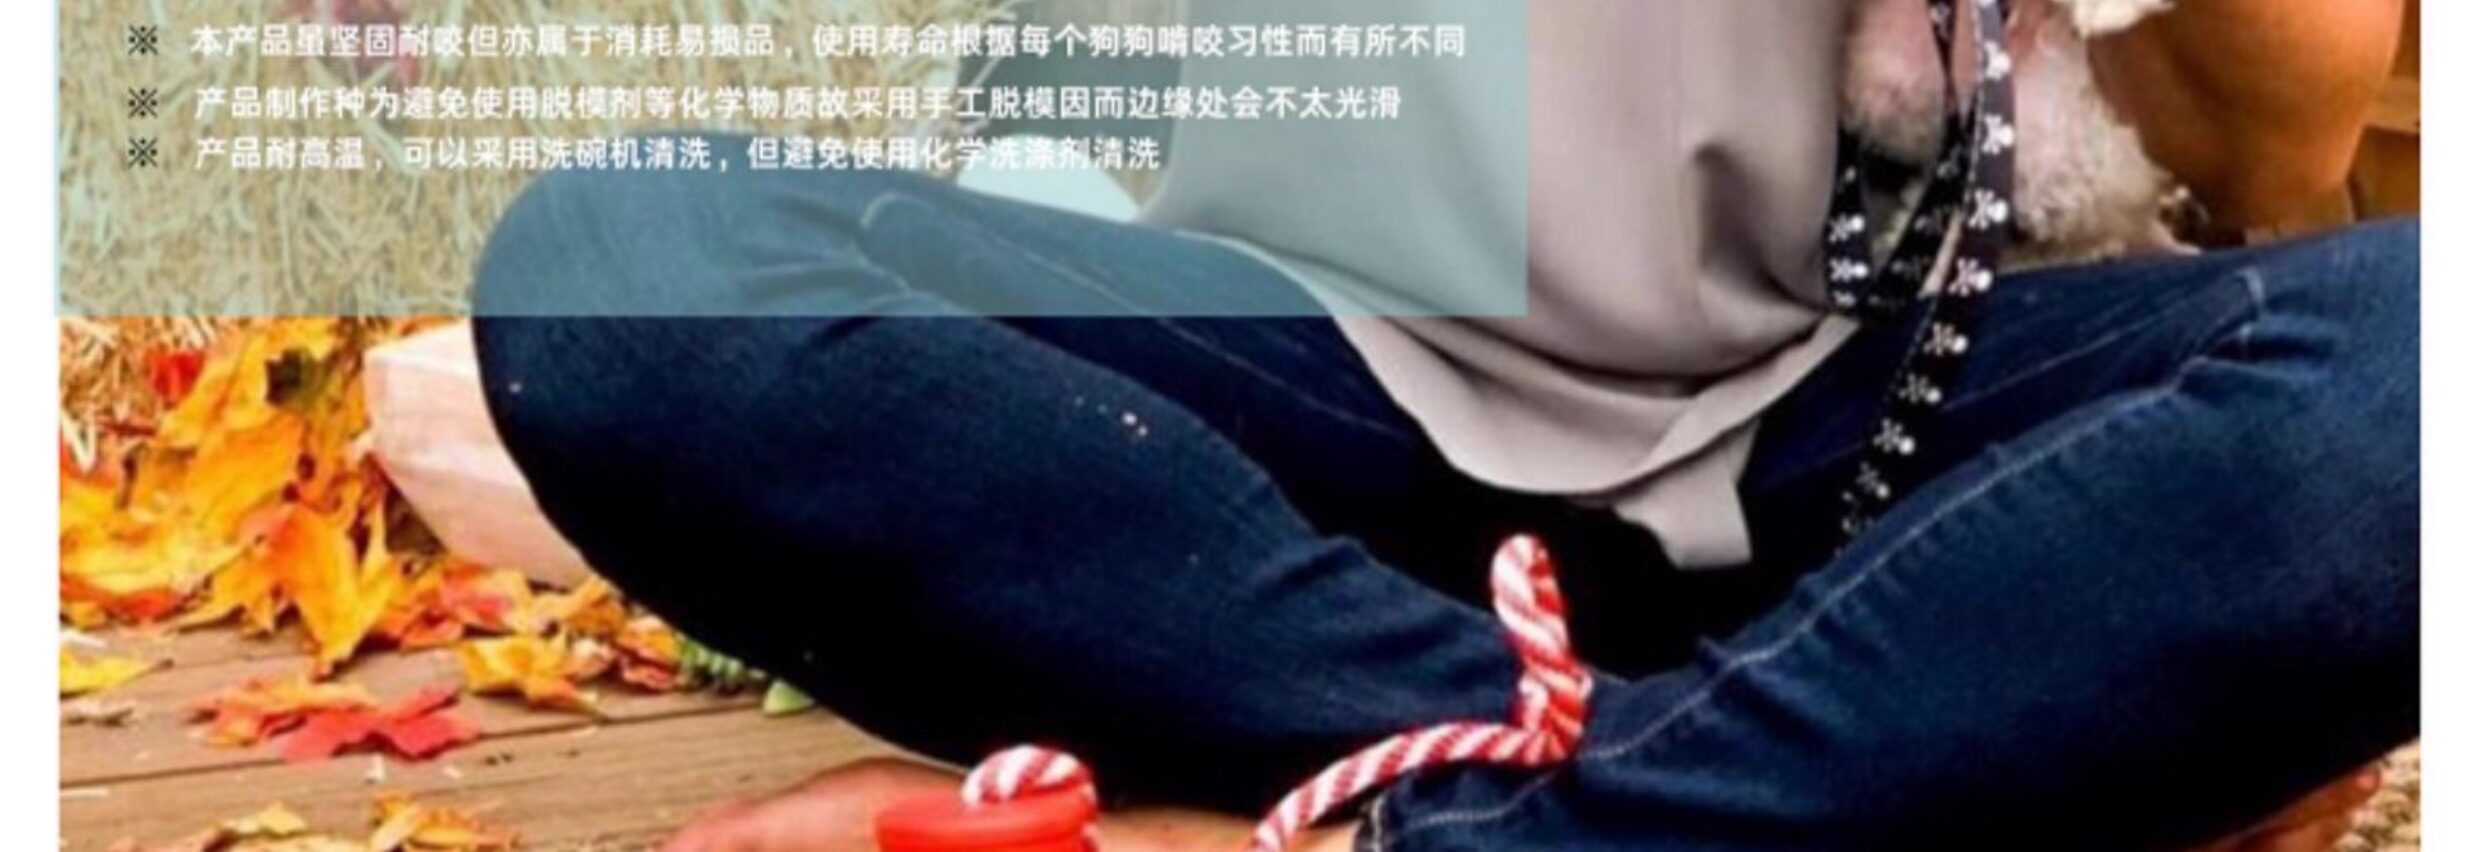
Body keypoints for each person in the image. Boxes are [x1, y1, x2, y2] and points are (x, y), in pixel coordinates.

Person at [470, 1, 2416, 849]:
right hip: (1292, 424)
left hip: (1848, 435)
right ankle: (1757, 786)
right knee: (614, 269)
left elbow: (2277, 139)